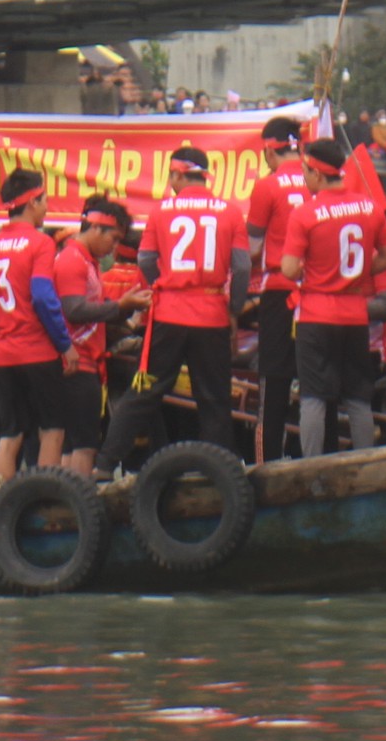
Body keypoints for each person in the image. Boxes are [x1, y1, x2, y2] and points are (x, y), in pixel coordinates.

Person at [110, 147, 243, 467]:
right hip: (211, 314)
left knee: (145, 392)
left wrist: (164, 283)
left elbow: (145, 259)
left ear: (180, 174)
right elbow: (241, 268)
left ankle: (104, 464)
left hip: (169, 312)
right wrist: (234, 310)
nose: (170, 183)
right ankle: (221, 470)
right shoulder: (230, 211)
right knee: (213, 400)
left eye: (171, 176)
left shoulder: (161, 211)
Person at [281, 139, 386, 456]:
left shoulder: (305, 214)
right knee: (358, 397)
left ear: (317, 174)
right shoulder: (369, 207)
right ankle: (365, 461)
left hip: (317, 315)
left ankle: (311, 467)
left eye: (305, 170)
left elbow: (289, 269)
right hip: (355, 314)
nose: (304, 176)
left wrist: (318, 271)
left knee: (314, 397)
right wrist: (357, 274)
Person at [0, 168, 71, 488]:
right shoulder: (40, 243)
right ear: (32, 202)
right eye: (45, 200)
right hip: (38, 351)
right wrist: (65, 345)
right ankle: (44, 495)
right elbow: (44, 298)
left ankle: (1, 502)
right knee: (52, 428)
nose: (47, 207)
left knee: (10, 434)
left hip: (4, 354)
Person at [52, 196, 144, 476]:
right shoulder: (72, 260)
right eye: (113, 239)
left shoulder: (87, 262)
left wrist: (126, 308)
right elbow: (74, 310)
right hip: (76, 361)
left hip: (87, 360)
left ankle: (69, 503)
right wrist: (120, 306)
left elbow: (98, 312)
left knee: (75, 443)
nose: (114, 248)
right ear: (95, 229)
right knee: (84, 444)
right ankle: (81, 505)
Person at [241, 117, 313, 460]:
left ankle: (266, 462)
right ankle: (319, 458)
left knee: (273, 381)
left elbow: (252, 248)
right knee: (316, 383)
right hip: (319, 293)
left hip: (280, 292)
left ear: (270, 150)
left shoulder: (267, 187)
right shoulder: (320, 180)